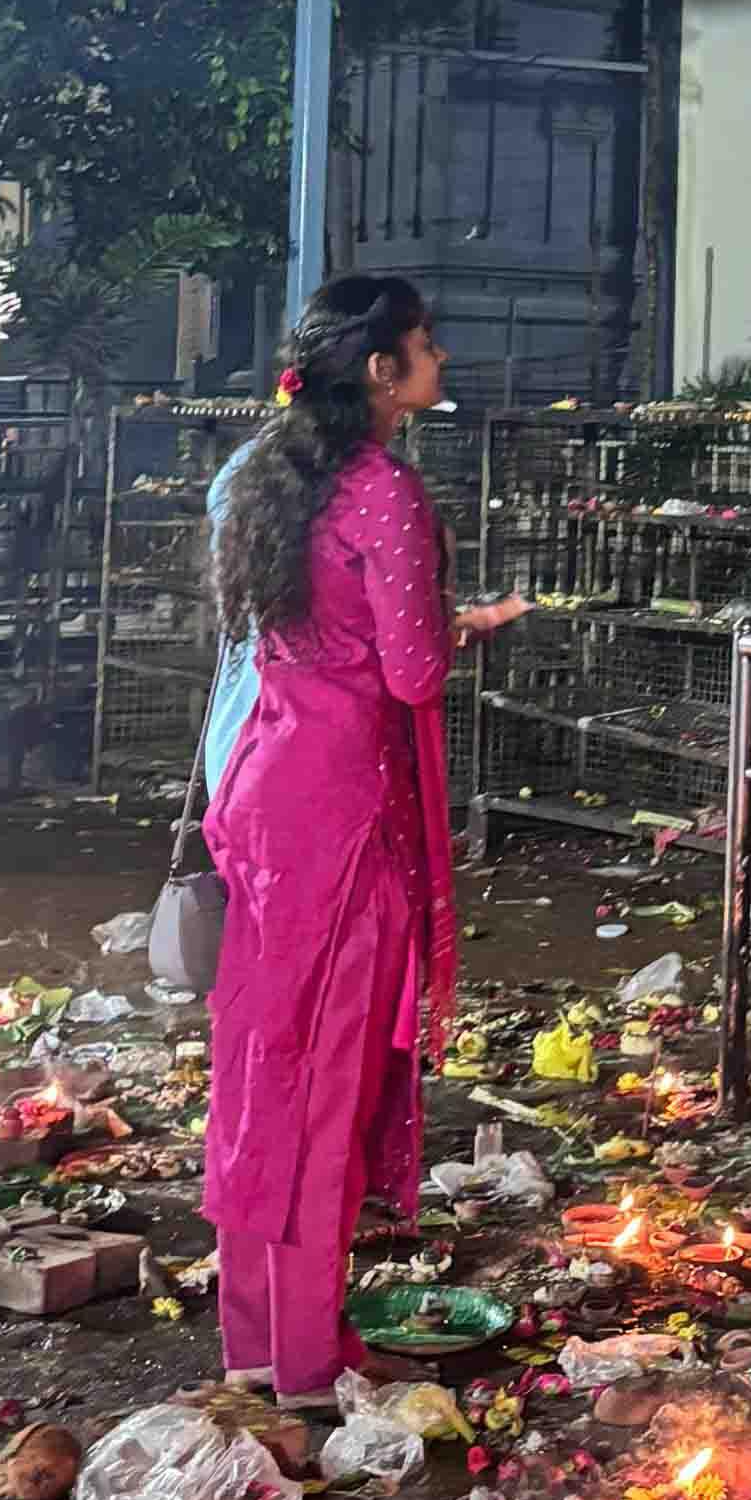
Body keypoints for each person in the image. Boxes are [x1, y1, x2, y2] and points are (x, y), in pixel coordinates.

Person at [199, 275, 525, 1401]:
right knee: (323, 1077)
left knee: (260, 1064)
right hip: (344, 809)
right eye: (426, 348)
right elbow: (413, 669)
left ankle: (255, 1338)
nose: (440, 363)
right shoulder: (386, 489)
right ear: (383, 373)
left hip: (268, 788)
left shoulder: (272, 473)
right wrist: (464, 623)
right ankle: (303, 1356)